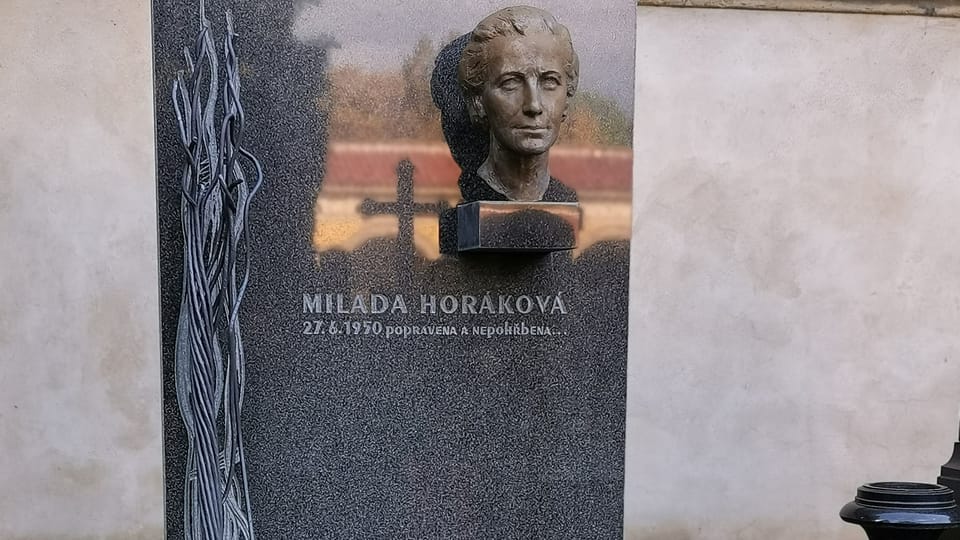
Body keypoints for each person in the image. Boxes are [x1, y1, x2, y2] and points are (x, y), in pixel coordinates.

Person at [457, 6, 579, 202]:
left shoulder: (568, 200)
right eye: (510, 83)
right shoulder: (463, 204)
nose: (533, 105)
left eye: (549, 81)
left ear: (567, 98)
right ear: (478, 100)